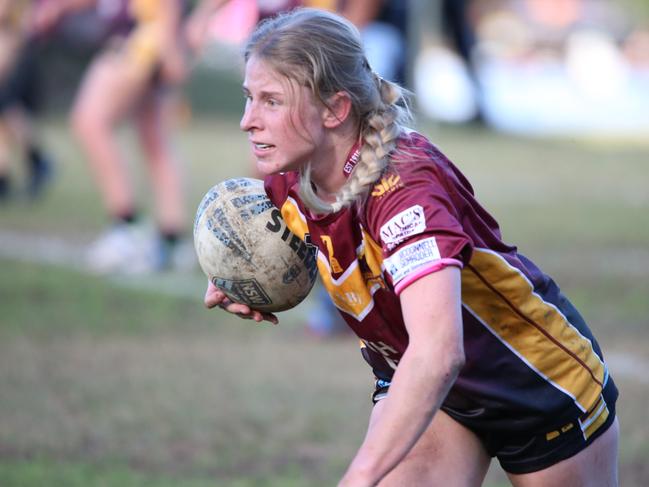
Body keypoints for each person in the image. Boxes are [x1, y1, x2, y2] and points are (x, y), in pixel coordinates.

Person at [204, 8, 620, 486]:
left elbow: (440, 351)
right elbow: (315, 241)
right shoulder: (290, 176)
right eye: (249, 98)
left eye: (271, 102)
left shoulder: (403, 188)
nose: (247, 121)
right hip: (430, 389)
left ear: (336, 109)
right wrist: (246, 276)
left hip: (534, 386)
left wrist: (357, 477)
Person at [31, 0, 192, 273]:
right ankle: (171, 238)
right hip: (148, 36)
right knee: (154, 139)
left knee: (90, 122)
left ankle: (126, 227)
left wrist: (168, 41)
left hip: (140, 37)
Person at [0, 0, 54, 201]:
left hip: (16, 50)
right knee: (4, 115)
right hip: (13, 48)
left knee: (6, 107)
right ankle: (4, 177)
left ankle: (38, 160)